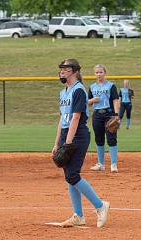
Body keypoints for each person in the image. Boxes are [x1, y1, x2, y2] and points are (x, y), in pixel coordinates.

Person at [52, 59, 110, 228]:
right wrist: (57, 143)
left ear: (75, 71)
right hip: (66, 134)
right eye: (61, 69)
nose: (62, 71)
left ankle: (100, 206)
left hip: (77, 135)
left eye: (66, 69)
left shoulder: (78, 90)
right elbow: (62, 119)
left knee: (72, 175)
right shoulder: (64, 92)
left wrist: (68, 143)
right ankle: (78, 215)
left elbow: (76, 117)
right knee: (69, 177)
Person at [88, 64, 120, 173]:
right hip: (97, 115)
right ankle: (101, 164)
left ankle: (113, 164)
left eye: (101, 72)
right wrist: (93, 100)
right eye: (97, 72)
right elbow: (87, 103)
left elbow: (115, 100)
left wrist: (116, 115)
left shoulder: (111, 86)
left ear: (105, 73)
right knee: (99, 138)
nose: (99, 74)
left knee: (111, 138)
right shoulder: (92, 87)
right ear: (94, 74)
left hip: (109, 114)